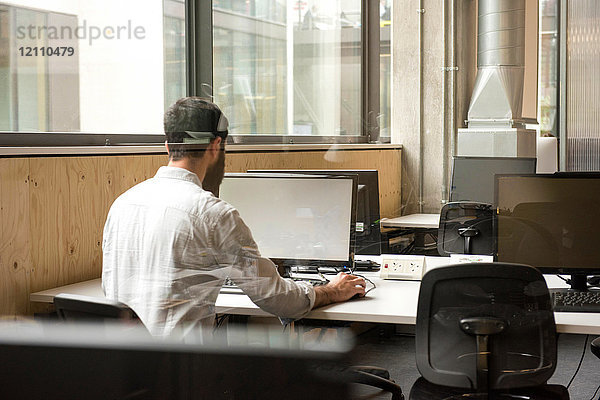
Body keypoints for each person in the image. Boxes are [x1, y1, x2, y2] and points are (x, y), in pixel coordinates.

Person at [102, 97, 366, 337]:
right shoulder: (213, 215)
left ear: (168, 145)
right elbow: (276, 297)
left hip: (122, 372)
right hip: (179, 371)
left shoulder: (122, 204)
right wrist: (330, 290)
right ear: (216, 145)